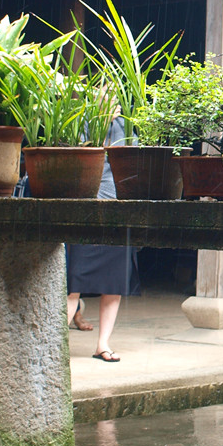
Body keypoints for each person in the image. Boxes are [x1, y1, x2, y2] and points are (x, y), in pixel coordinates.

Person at [65, 116, 139, 362]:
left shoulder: (126, 126)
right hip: (86, 208)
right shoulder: (83, 122)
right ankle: (54, 345)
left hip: (118, 209)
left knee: (114, 285)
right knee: (73, 284)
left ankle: (103, 344)